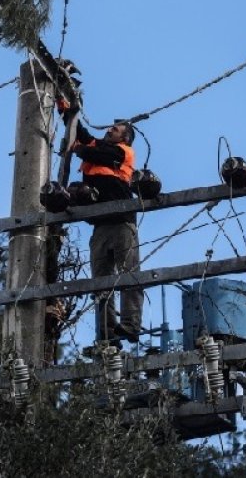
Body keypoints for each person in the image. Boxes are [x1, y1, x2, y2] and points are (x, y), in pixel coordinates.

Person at [70, 118, 143, 346]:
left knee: (128, 273)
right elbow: (82, 135)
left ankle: (131, 325)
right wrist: (68, 111)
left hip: (122, 221)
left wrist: (79, 149)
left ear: (125, 138)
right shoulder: (98, 147)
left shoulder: (124, 152)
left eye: (116, 129)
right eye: (111, 128)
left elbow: (96, 154)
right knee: (101, 283)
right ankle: (107, 332)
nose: (110, 130)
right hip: (100, 225)